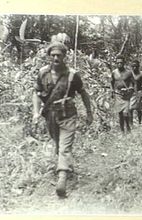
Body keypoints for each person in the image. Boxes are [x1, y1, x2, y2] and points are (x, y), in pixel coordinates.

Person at [32, 41, 93, 197]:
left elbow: (83, 93)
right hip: (50, 115)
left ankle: (62, 179)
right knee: (58, 144)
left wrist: (89, 112)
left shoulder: (72, 75)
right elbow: (36, 93)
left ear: (65, 56)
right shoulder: (43, 73)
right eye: (53, 55)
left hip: (68, 116)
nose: (56, 58)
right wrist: (36, 112)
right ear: (49, 57)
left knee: (64, 147)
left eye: (59, 55)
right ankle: (66, 166)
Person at [111, 55, 134, 133]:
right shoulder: (114, 72)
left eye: (121, 63)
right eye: (118, 63)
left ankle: (127, 125)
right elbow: (112, 82)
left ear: (124, 63)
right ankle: (122, 130)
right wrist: (112, 91)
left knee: (125, 113)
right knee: (120, 113)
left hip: (126, 95)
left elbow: (132, 83)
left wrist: (129, 89)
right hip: (118, 94)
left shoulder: (129, 72)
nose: (119, 64)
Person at [131, 60, 142, 124]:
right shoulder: (130, 74)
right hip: (131, 93)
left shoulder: (141, 74)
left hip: (139, 92)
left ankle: (139, 121)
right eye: (133, 66)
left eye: (136, 66)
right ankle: (130, 123)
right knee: (130, 108)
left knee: (139, 108)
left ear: (138, 67)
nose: (135, 68)